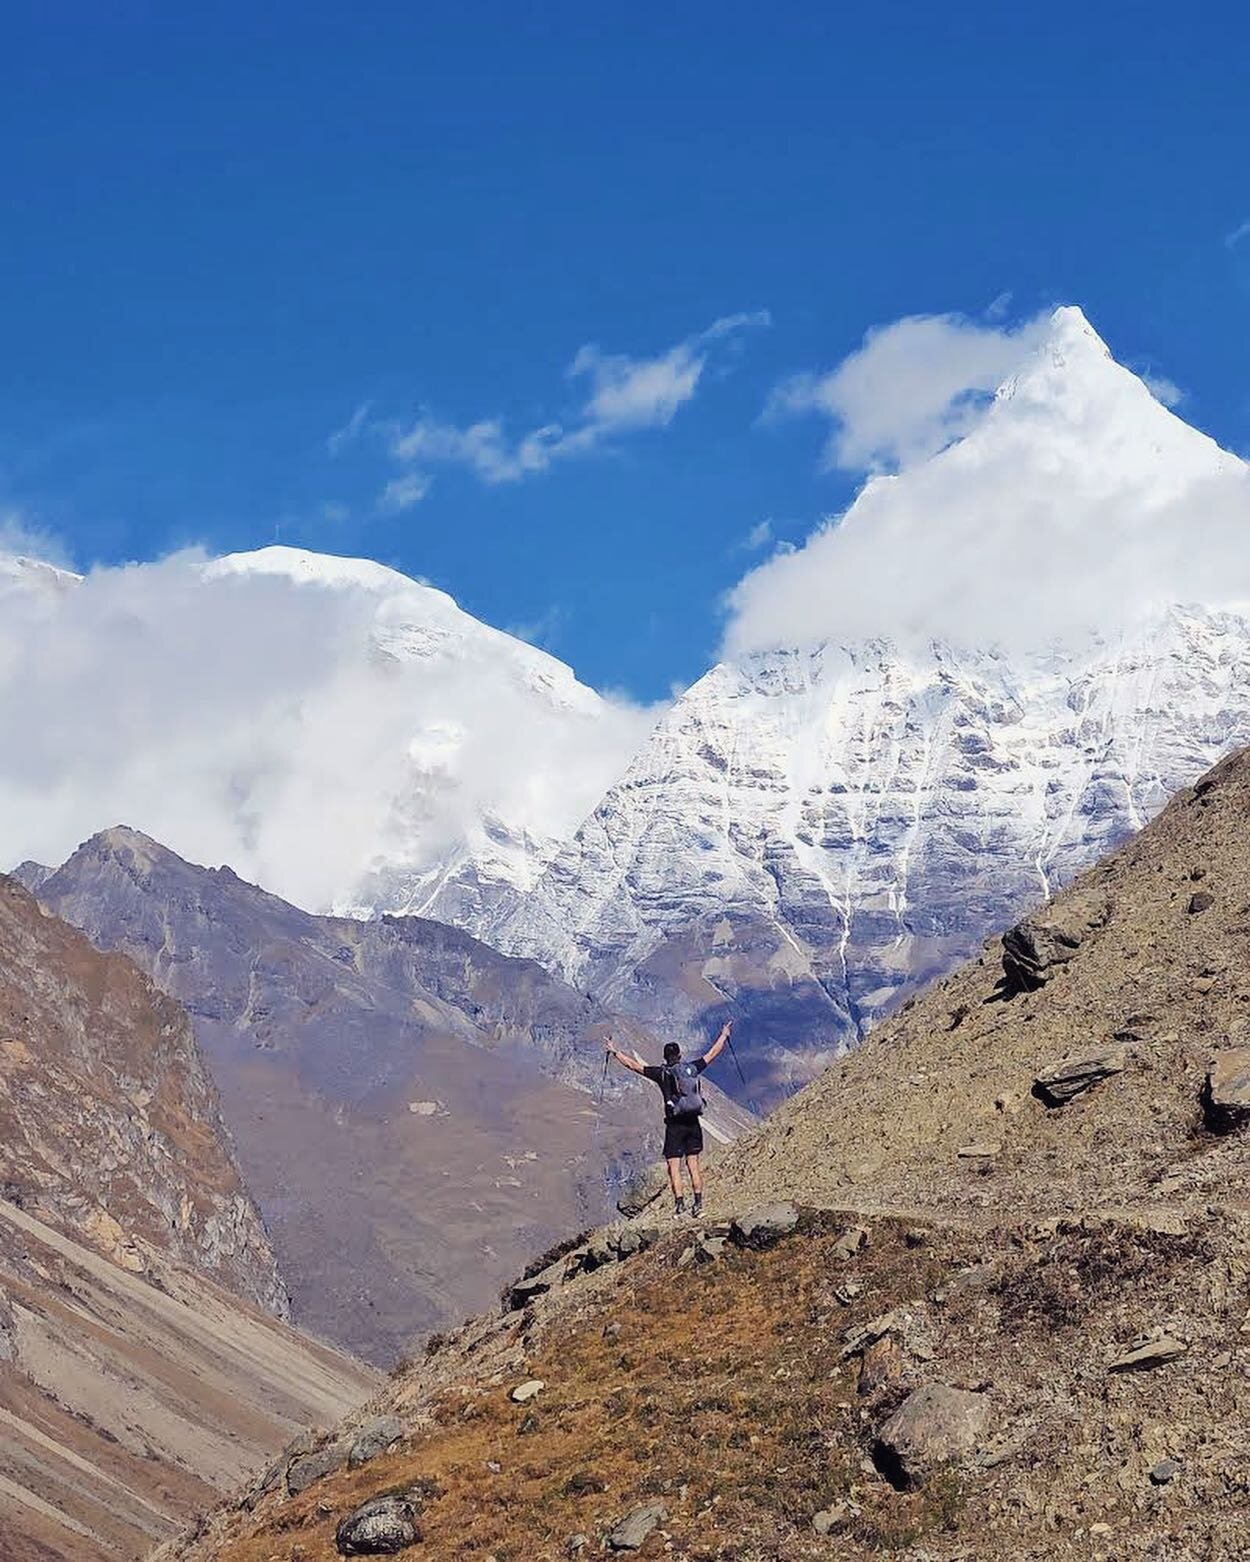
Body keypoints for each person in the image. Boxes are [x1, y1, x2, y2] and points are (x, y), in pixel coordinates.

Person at [606, 1022, 733, 1217]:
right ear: (680, 1055)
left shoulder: (661, 1074)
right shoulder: (692, 1069)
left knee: (674, 1167)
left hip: (674, 1126)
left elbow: (633, 1065)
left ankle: (679, 1206)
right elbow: (713, 1053)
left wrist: (615, 1052)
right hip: (693, 1123)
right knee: (694, 1165)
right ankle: (698, 1206)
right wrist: (724, 1035)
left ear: (665, 1057)